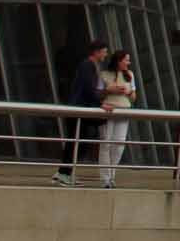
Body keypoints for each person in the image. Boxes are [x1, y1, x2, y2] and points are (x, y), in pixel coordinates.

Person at [53, 39, 110, 186]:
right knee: (78, 142)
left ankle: (64, 173)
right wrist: (101, 103)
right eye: (104, 51)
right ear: (96, 51)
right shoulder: (87, 65)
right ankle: (63, 174)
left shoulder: (91, 66)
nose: (106, 54)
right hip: (79, 110)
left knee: (78, 141)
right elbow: (88, 88)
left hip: (81, 109)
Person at [96, 49, 137, 189]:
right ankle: (105, 178)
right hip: (108, 110)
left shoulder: (130, 75)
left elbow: (134, 97)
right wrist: (109, 90)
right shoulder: (104, 75)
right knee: (106, 143)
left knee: (119, 144)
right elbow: (98, 94)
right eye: (126, 59)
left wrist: (128, 91)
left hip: (124, 110)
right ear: (118, 61)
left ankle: (112, 175)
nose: (128, 62)